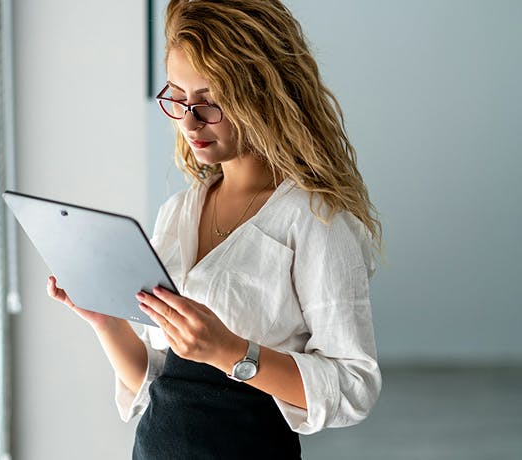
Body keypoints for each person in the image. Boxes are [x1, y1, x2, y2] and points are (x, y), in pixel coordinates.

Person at [47, 0, 381, 458]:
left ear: (262, 93)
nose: (188, 121)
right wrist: (104, 320)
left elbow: (353, 385)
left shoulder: (316, 220)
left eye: (208, 103)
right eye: (178, 98)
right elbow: (154, 380)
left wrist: (229, 351)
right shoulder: (178, 212)